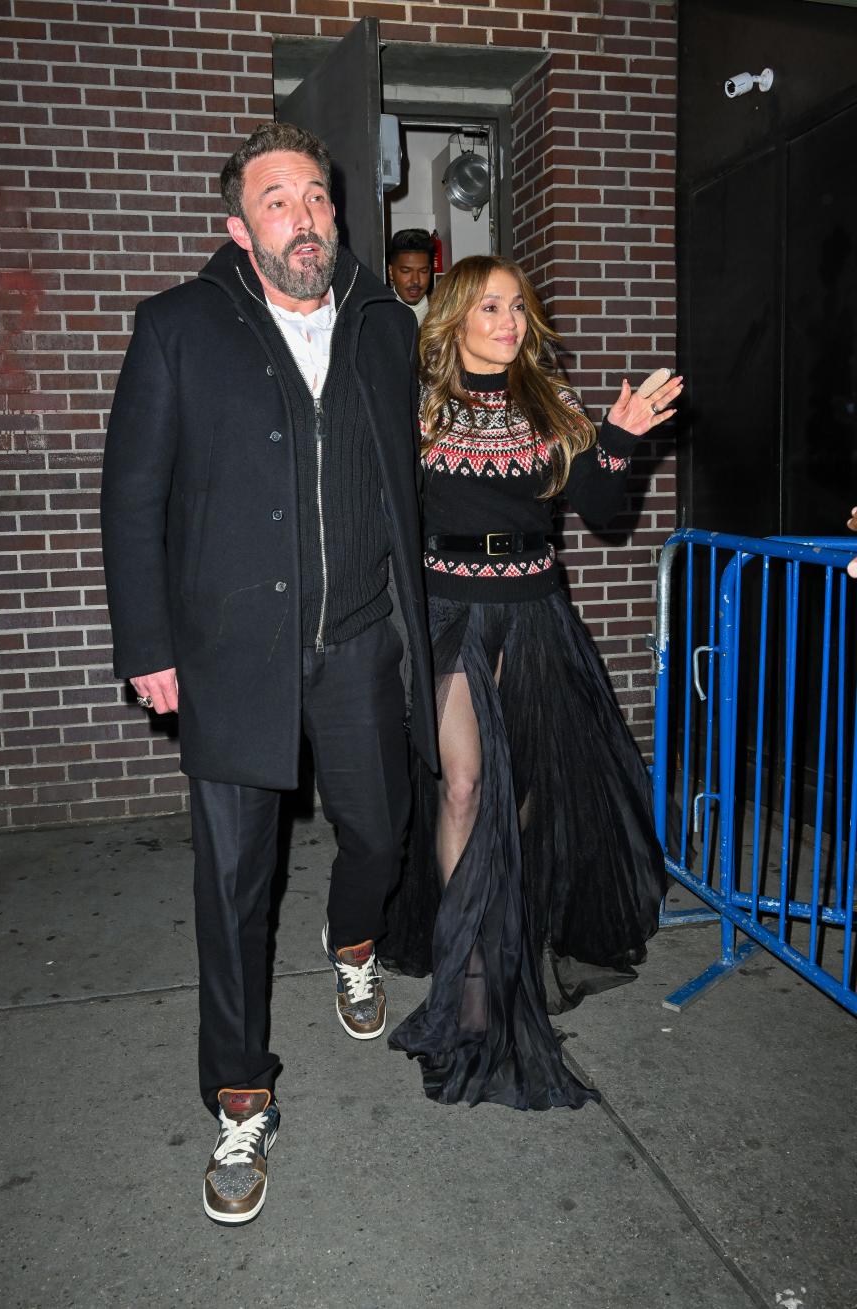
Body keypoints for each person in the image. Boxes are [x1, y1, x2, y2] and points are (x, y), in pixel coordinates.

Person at [100, 121, 437, 1225]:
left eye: (317, 196)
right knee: (234, 885)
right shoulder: (179, 329)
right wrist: (147, 643)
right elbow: (132, 495)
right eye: (277, 199)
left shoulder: (386, 327)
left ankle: (353, 943)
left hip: (358, 639)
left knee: (382, 833)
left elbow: (409, 481)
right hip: (232, 652)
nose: (304, 215)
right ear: (238, 228)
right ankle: (239, 1090)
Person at [382, 254, 681, 1112]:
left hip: (538, 615)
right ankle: (470, 975)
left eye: (517, 306)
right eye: (489, 306)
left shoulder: (551, 405)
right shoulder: (419, 407)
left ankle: (507, 935)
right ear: (454, 319)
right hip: (453, 618)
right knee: (466, 785)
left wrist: (619, 439)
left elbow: (601, 510)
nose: (507, 320)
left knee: (520, 798)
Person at [387, 228, 435, 325]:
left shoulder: (444, 315)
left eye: (423, 271)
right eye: (406, 271)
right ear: (391, 272)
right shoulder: (376, 315)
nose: (415, 280)